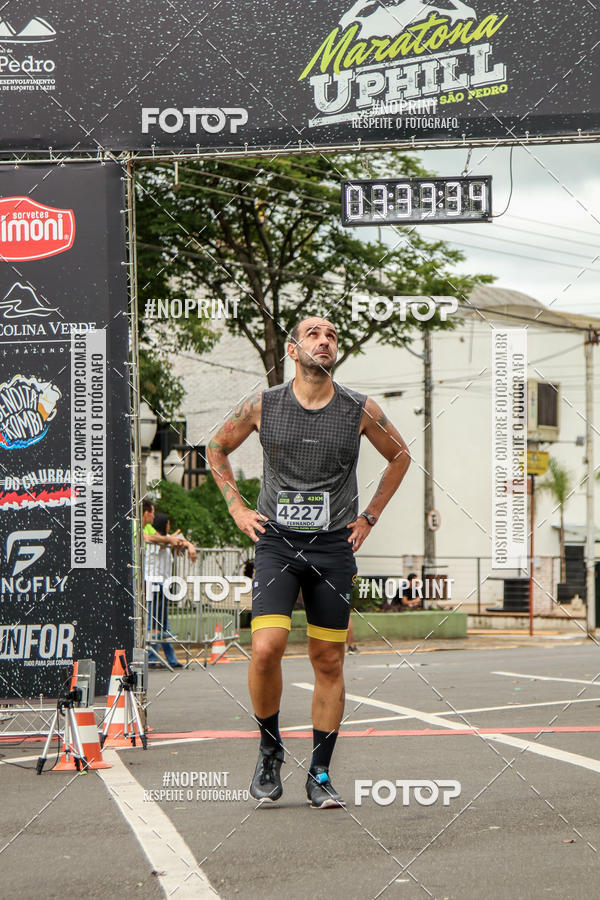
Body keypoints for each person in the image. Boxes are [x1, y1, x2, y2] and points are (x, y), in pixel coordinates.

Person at [207, 316, 410, 808]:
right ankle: (270, 749)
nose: (325, 340)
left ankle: (319, 772)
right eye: (314, 334)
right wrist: (236, 506)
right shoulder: (264, 405)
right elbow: (215, 447)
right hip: (276, 541)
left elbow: (400, 455)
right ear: (294, 351)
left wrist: (370, 517)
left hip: (333, 546)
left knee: (328, 659)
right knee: (265, 648)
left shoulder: (359, 409)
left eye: (333, 335)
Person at [142, 499, 193, 669]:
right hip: (152, 582)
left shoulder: (163, 538)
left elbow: (181, 540)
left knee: (162, 624)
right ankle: (152, 657)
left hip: (162, 584)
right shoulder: (152, 537)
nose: (170, 528)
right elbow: (150, 537)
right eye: (168, 524)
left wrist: (187, 545)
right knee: (154, 624)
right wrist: (170, 540)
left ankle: (170, 659)